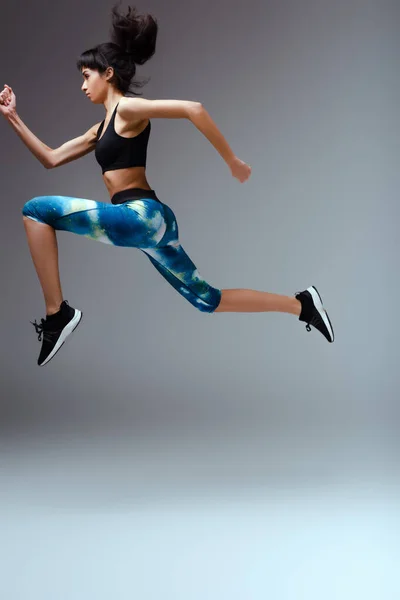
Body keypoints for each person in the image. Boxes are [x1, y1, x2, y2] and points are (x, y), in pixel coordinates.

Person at [0, 3, 334, 367]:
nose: (82, 85)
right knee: (208, 300)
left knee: (36, 211)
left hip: (142, 217)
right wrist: (13, 117)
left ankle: (57, 315)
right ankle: (302, 305)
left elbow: (194, 108)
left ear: (107, 73)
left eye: (86, 76)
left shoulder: (127, 110)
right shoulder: (99, 130)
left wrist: (232, 160)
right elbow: (49, 158)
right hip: (156, 225)